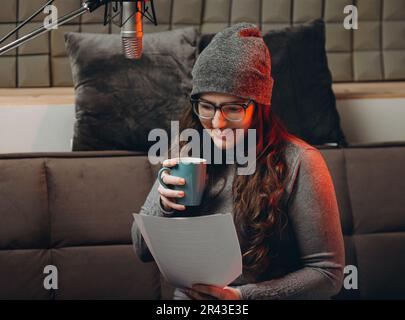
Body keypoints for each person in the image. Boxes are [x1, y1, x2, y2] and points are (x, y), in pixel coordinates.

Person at [132, 23, 345, 300]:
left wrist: (242, 298)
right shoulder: (184, 148)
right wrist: (163, 205)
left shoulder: (300, 162)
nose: (218, 123)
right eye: (207, 106)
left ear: (259, 106)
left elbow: (328, 275)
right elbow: (141, 249)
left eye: (233, 108)